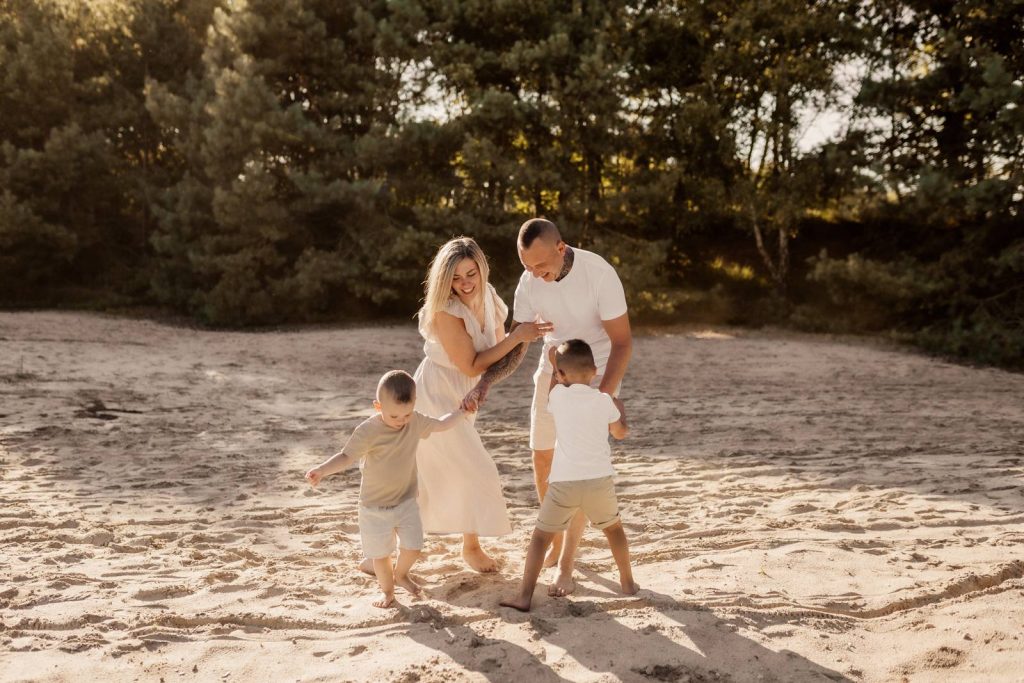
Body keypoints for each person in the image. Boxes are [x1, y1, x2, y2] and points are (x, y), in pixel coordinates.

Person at [463, 218, 632, 595]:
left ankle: (567, 562)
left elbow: (622, 342)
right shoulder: (530, 283)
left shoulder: (598, 273)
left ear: (561, 248)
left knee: (577, 464)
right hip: (554, 366)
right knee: (542, 456)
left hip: (597, 366)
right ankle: (556, 535)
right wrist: (485, 381)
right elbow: (519, 344)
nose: (536, 275)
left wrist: (602, 396)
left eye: (542, 267)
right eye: (527, 268)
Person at [410, 236, 551, 572]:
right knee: (469, 470)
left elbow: (498, 353)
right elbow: (472, 364)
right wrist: (519, 335)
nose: (465, 284)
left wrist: (522, 338)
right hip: (436, 395)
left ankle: (465, 546)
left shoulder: (488, 296)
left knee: (444, 472)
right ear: (445, 281)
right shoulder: (445, 310)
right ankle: (468, 548)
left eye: (471, 273)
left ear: (481, 269)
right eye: (456, 278)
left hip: (463, 395)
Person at [305, 370, 469, 608]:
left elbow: (442, 424)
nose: (401, 421)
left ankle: (401, 575)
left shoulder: (414, 421)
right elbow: (346, 456)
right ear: (378, 406)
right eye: (394, 416)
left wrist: (463, 411)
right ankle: (388, 592)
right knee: (381, 557)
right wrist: (321, 470)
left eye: (407, 414)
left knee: (413, 547)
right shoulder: (368, 430)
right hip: (373, 507)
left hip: (405, 501)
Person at [499, 339, 638, 612]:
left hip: (564, 484)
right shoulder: (604, 400)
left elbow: (555, 385)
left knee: (541, 537)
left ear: (561, 375)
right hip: (599, 481)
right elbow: (620, 433)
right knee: (613, 529)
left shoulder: (558, 396)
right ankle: (627, 582)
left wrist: (553, 364)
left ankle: (525, 595)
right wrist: (622, 414)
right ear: (595, 370)